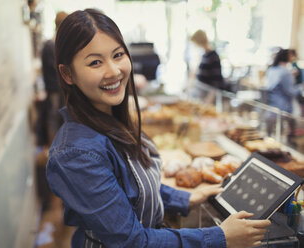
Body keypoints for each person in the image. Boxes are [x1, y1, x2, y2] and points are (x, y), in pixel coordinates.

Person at [46, 9, 270, 248]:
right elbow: (132, 241)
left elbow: (129, 188)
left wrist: (184, 198)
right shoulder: (76, 154)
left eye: (118, 55)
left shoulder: (112, 119)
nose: (113, 71)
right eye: (95, 62)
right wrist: (220, 238)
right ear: (68, 74)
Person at [41, 11, 68, 144]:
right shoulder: (51, 46)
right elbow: (56, 69)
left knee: (56, 118)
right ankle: (52, 148)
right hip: (54, 89)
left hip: (55, 88)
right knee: (53, 118)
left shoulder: (51, 44)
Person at [265, 48, 303, 139]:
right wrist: (300, 87)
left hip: (272, 105)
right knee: (288, 135)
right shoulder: (285, 72)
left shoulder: (272, 70)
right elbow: (291, 92)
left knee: (271, 135)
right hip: (284, 107)